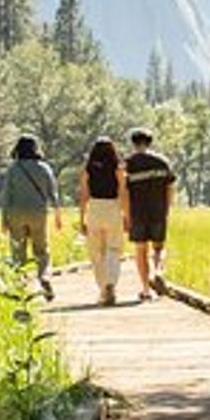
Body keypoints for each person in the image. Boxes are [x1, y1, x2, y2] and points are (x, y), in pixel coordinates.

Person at [0, 134, 62, 298]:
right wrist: (57, 214)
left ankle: (20, 285)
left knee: (18, 251)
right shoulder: (44, 167)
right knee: (41, 250)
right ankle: (44, 277)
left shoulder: (13, 169)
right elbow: (52, 193)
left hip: (16, 212)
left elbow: (7, 195)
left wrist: (4, 219)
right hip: (38, 212)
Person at [124, 126, 177, 300]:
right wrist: (167, 208)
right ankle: (159, 271)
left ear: (133, 143)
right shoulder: (162, 162)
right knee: (159, 247)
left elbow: (124, 192)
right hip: (158, 209)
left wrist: (126, 214)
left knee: (140, 250)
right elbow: (170, 188)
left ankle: (146, 289)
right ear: (149, 142)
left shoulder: (128, 164)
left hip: (137, 211)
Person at [77, 135, 129, 305]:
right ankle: (111, 284)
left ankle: (102, 288)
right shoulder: (118, 168)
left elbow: (83, 195)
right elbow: (123, 193)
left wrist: (81, 218)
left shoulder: (88, 169)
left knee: (96, 252)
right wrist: (127, 215)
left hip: (94, 208)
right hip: (112, 208)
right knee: (113, 249)